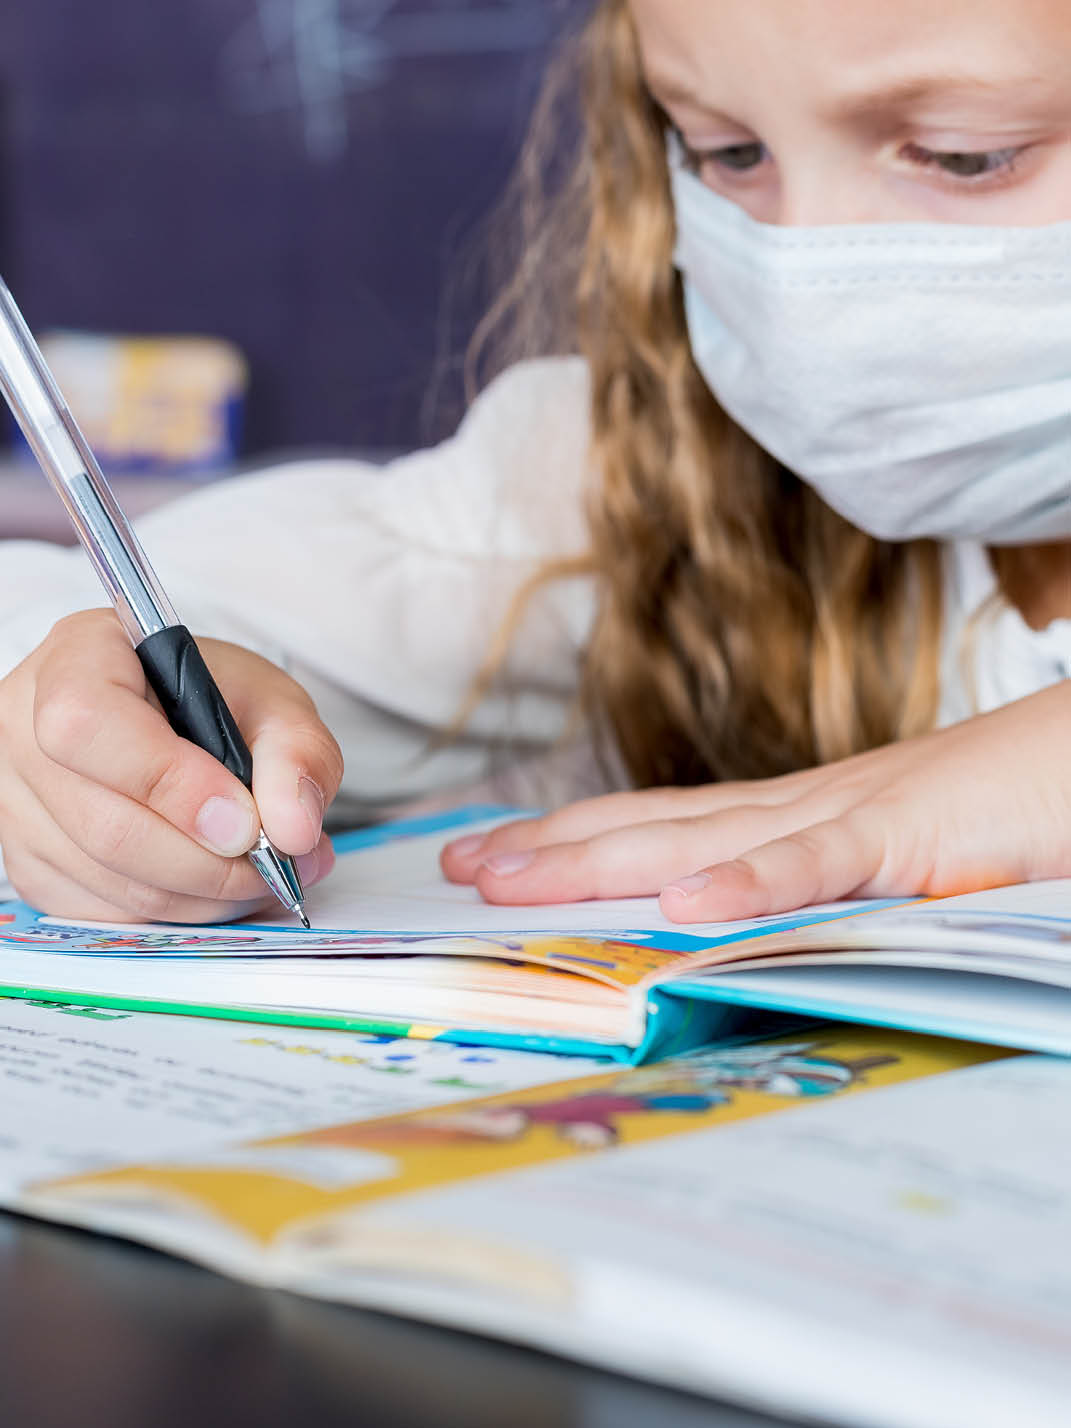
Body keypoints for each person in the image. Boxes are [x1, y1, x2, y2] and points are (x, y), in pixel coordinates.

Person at [0, 0, 1069, 927]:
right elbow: (52, 621)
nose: (813, 282)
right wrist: (71, 750)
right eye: (726, 152)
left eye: (969, 153)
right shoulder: (639, 472)